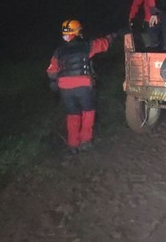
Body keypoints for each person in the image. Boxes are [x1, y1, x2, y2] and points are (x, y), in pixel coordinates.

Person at [47, 20, 116, 155]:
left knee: (72, 115)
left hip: (65, 88)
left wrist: (53, 82)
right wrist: (113, 36)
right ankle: (85, 141)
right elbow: (104, 44)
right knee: (88, 112)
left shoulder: (59, 51)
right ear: (77, 32)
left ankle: (73, 144)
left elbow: (51, 71)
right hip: (84, 85)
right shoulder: (87, 46)